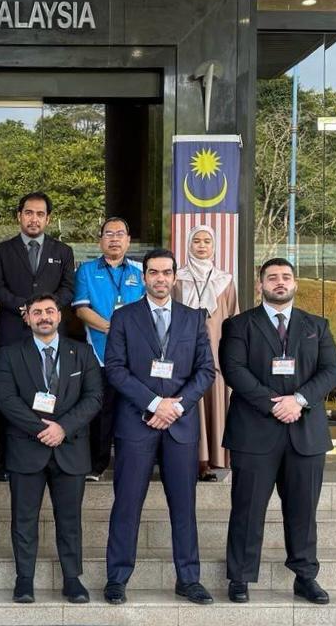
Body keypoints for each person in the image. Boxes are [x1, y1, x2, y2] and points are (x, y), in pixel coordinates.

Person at [221, 258, 336, 605]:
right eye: (271, 277)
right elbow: (234, 370)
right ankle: (240, 577)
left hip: (306, 434)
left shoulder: (316, 325)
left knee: (303, 511)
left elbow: (331, 371)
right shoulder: (238, 325)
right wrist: (276, 404)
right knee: (247, 509)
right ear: (260, 285)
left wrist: (299, 400)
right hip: (254, 433)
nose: (279, 282)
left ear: (295, 283)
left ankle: (305, 577)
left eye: (285, 277)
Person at [102, 249, 215, 606]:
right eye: (153, 272)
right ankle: (117, 578)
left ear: (175, 276)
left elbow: (205, 371)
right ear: (145, 276)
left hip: (180, 425)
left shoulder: (194, 318)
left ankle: (189, 578)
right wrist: (154, 404)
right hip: (137, 423)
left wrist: (176, 406)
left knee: (184, 505)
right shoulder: (124, 317)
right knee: (127, 503)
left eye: (167, 272)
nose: (160, 279)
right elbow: (115, 369)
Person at [0, 292, 103, 604]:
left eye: (50, 311)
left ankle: (72, 579)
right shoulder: (10, 354)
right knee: (24, 519)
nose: (44, 316)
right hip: (26, 448)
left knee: (69, 520)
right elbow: (6, 399)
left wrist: (63, 427)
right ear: (26, 318)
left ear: (60, 316)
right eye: (37, 312)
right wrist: (42, 429)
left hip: (70, 449)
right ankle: (24, 580)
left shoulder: (82, 353)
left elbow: (94, 397)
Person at [0, 191, 75, 481]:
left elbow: (68, 290)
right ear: (19, 216)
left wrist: (44, 310)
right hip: (13, 330)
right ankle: (6, 461)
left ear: (48, 218)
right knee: (11, 395)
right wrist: (24, 308)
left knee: (51, 390)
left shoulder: (62, 252)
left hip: (51, 334)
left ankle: (51, 454)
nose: (34, 218)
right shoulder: (2, 250)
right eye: (28, 213)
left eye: (40, 214)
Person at [73, 216, 145, 481]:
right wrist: (112, 329)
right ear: (100, 239)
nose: (114, 238)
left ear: (128, 240)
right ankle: (97, 464)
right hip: (99, 352)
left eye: (120, 234)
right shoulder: (87, 271)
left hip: (134, 355)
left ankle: (132, 464)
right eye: (109, 234)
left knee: (132, 410)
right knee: (101, 411)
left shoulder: (140, 272)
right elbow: (81, 309)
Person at [173, 225, 240, 481]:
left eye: (207, 241)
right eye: (196, 241)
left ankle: (215, 458)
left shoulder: (225, 280)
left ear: (214, 247)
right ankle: (192, 459)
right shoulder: (178, 279)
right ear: (189, 245)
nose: (201, 246)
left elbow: (233, 319)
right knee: (189, 403)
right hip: (183, 356)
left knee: (214, 402)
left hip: (216, 355)